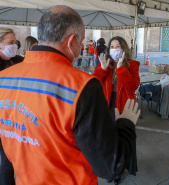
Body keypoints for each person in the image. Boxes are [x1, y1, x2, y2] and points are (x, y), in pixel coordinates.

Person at [0, 5, 140, 185]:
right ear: (71, 41)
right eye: (80, 41)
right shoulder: (80, 85)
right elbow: (110, 166)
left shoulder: (4, 78)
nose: (81, 46)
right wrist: (126, 123)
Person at [93, 36, 140, 184]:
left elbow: (132, 86)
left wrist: (120, 68)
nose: (114, 49)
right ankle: (112, 167)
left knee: (123, 135)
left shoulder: (132, 65)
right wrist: (102, 68)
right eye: (112, 46)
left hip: (124, 105)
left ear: (123, 48)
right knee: (108, 137)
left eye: (117, 46)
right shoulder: (105, 63)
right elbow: (94, 83)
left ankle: (122, 167)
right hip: (107, 104)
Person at [0, 27, 24, 185]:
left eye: (15, 42)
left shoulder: (18, 60)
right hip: (3, 118)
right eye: (10, 42)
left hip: (17, 116)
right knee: (7, 162)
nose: (14, 46)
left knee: (16, 160)